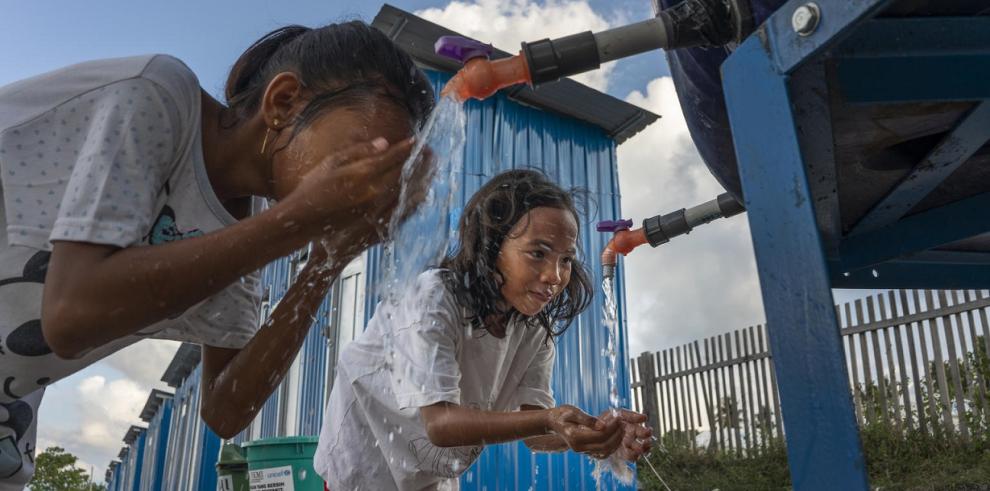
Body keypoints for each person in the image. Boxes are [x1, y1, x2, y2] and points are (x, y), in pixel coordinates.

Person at [0, 21, 434, 488]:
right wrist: (299, 221)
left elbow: (226, 412)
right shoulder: (155, 95)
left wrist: (324, 263)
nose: (370, 187)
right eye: (363, 157)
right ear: (283, 102)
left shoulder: (245, 240)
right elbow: (69, 316)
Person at [314, 169, 653, 490]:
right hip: (363, 456)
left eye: (566, 259)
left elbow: (534, 428)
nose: (554, 275)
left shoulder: (533, 330)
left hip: (430, 470)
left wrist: (596, 433)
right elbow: (441, 424)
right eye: (538, 253)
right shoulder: (433, 298)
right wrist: (551, 420)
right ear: (492, 246)